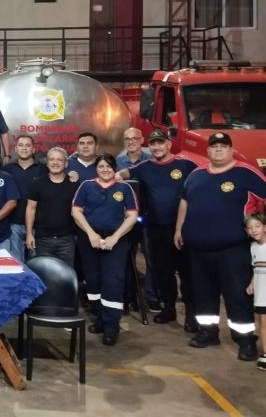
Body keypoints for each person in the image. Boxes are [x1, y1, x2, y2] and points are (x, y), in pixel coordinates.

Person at [175, 132, 266, 361]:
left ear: (230, 149)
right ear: (207, 151)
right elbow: (184, 202)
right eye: (213, 147)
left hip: (233, 250)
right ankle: (208, 332)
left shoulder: (246, 173)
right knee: (203, 294)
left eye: (222, 146)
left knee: (237, 296)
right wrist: (179, 229)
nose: (218, 150)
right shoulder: (196, 175)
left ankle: (245, 341)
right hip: (197, 249)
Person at [117, 129, 197, 330]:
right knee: (164, 272)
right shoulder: (144, 167)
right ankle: (168, 310)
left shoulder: (185, 164)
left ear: (169, 144)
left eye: (160, 143)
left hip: (183, 229)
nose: (157, 147)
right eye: (153, 144)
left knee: (187, 274)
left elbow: (203, 179)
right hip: (156, 229)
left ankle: (191, 316)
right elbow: (120, 175)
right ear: (149, 146)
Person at [72, 154, 139, 347]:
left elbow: (132, 216)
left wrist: (115, 238)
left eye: (108, 166)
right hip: (89, 239)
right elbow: (76, 211)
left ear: (114, 168)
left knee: (112, 281)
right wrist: (91, 235)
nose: (105, 170)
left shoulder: (124, 188)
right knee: (93, 281)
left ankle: (111, 326)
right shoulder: (86, 186)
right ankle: (100, 318)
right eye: (101, 166)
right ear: (96, 168)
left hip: (115, 240)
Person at [116, 127, 159, 312]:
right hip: (125, 218)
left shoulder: (152, 159)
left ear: (142, 139)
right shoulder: (118, 161)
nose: (131, 142)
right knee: (125, 258)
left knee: (152, 259)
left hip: (149, 217)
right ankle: (128, 295)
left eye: (135, 138)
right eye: (127, 139)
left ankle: (150, 296)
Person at [26, 147, 80, 265]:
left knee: (65, 277)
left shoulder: (74, 185)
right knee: (44, 276)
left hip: (67, 240)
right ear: (47, 163)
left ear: (66, 164)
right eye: (52, 159)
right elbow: (30, 209)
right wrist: (29, 234)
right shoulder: (37, 184)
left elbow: (80, 212)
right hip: (42, 239)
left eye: (59, 160)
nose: (55, 162)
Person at [1, 134, 47, 262]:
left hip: (37, 226)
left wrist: (72, 173)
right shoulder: (7, 169)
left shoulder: (44, 169)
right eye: (21, 145)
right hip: (13, 224)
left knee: (37, 264)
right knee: (17, 264)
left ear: (33, 149)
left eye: (28, 145)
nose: (24, 148)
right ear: (15, 149)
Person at [245, 213, 266, 370]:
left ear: (265, 227)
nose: (254, 230)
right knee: (263, 324)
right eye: (250, 227)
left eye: (257, 226)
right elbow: (256, 268)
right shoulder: (252, 247)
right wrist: (252, 283)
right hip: (260, 294)